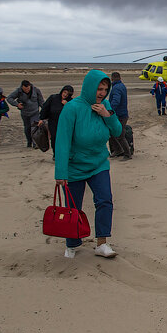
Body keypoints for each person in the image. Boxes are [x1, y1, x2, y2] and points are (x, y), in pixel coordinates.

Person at [55, 70, 123, 259]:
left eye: (105, 89)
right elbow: (62, 140)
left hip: (99, 163)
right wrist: (60, 172)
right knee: (73, 207)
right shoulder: (72, 108)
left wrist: (106, 114)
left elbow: (117, 131)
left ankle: (102, 243)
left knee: (104, 200)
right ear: (89, 87)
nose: (102, 93)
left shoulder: (106, 105)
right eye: (99, 89)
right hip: (74, 166)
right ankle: (71, 244)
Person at [7, 80, 45, 148]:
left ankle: (35, 143)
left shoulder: (36, 90)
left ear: (30, 86)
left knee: (34, 127)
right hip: (25, 113)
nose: (27, 90)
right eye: (25, 89)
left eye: (28, 89)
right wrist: (17, 104)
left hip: (35, 112)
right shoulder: (18, 91)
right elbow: (9, 98)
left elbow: (41, 101)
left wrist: (45, 111)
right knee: (27, 128)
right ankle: (29, 142)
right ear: (22, 87)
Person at [40, 85, 74, 158]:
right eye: (65, 92)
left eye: (68, 94)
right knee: (54, 138)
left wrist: (67, 105)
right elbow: (45, 108)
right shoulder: (53, 98)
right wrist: (41, 118)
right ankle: (55, 154)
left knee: (64, 139)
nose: (65, 95)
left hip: (65, 124)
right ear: (62, 91)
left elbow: (73, 113)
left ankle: (65, 154)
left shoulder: (71, 102)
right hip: (53, 122)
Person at [108, 72, 132, 159]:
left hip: (120, 115)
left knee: (120, 135)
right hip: (121, 114)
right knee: (112, 133)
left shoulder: (116, 88)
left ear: (112, 79)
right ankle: (118, 150)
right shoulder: (121, 86)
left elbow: (116, 101)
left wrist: (110, 111)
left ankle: (127, 154)